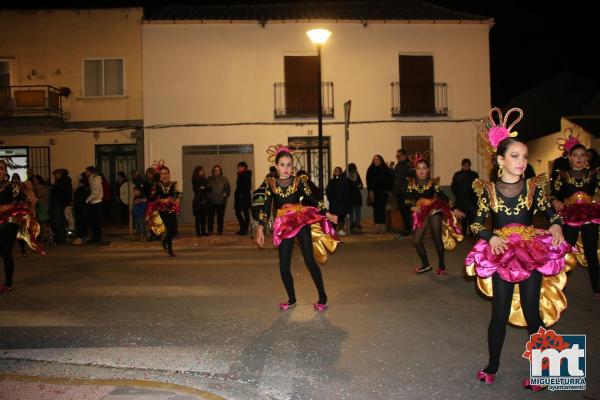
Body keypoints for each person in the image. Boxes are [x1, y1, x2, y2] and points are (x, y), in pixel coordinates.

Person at [464, 107, 570, 391]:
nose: (521, 161)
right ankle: (492, 365)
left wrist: (557, 225)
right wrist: (490, 236)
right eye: (515, 156)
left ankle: (546, 373)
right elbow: (475, 224)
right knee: (498, 314)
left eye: (524, 156)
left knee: (533, 313)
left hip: (529, 253)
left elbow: (553, 214)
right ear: (500, 159)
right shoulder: (488, 191)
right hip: (500, 255)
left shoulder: (534, 188)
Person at [256, 145, 339, 311]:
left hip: (300, 221)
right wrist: (260, 228)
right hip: (284, 225)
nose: (286, 169)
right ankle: (292, 299)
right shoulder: (270, 184)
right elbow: (265, 207)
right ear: (276, 165)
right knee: (283, 265)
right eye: (282, 165)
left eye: (289, 165)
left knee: (309, 260)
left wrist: (327, 213)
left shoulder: (298, 181)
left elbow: (313, 198)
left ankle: (322, 297)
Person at [551, 141, 600, 297]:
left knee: (591, 252)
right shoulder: (562, 175)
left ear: (587, 158)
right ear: (569, 158)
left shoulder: (594, 174)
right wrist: (555, 201)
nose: (579, 158)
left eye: (582, 155)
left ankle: (598, 288)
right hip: (570, 215)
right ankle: (559, 286)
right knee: (565, 251)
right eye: (575, 155)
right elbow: (553, 194)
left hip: (590, 215)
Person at [405, 155, 463, 275]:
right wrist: (412, 206)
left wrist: (454, 209)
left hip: (433, 210)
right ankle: (426, 265)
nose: (421, 171)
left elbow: (443, 197)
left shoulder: (433, 183)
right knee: (416, 241)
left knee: (437, 238)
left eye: (424, 168)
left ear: (428, 170)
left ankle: (442, 265)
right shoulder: (411, 183)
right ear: (415, 170)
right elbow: (406, 199)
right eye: (419, 168)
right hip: (421, 213)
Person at [0, 160, 45, 294]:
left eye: (1, 168)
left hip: (11, 219)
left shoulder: (13, 185)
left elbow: (25, 201)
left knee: (6, 251)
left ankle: (9, 283)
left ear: (6, 171)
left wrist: (9, 206)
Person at [146, 165, 181, 256]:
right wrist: (160, 200)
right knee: (169, 230)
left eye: (166, 173)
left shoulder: (174, 184)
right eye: (162, 174)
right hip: (161, 209)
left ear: (169, 174)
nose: (164, 175)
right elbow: (152, 197)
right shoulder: (156, 184)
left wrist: (177, 200)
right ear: (160, 175)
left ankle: (164, 241)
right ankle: (170, 249)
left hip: (171, 208)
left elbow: (177, 194)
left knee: (175, 231)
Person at [451, 158, 479, 236]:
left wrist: (476, 197)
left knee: (472, 219)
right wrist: (458, 194)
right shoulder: (457, 174)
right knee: (463, 219)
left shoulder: (474, 174)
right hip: (461, 201)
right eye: (464, 165)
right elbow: (453, 186)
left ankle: (472, 234)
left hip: (472, 201)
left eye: (467, 165)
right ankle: (463, 233)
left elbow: (478, 187)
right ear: (462, 166)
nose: (466, 167)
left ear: (470, 165)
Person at [366, 154, 393, 234]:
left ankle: (383, 226)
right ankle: (377, 227)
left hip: (383, 193)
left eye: (377, 159)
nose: (376, 161)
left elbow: (390, 180)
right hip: (374, 193)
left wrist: (388, 191)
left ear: (381, 160)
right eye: (374, 159)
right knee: (376, 209)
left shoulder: (385, 169)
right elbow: (368, 181)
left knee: (382, 209)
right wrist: (370, 191)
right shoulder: (370, 169)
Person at [49, 168, 72, 243]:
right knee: (59, 221)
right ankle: (60, 237)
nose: (55, 176)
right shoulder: (64, 181)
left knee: (58, 221)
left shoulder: (62, 182)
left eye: (55, 174)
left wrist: (55, 200)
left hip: (58, 204)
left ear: (59, 174)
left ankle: (60, 238)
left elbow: (60, 194)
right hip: (60, 204)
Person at [326, 166, 351, 235]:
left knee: (341, 216)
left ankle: (340, 229)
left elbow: (347, 191)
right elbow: (328, 191)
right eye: (334, 170)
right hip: (334, 203)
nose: (335, 172)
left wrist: (344, 199)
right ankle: (333, 230)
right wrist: (330, 198)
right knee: (333, 216)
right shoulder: (332, 181)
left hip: (342, 203)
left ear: (340, 172)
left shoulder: (344, 180)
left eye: (336, 170)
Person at [393, 149, 413, 236]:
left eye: (399, 156)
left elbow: (412, 180)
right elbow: (395, 178)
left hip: (406, 192)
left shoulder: (409, 165)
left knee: (407, 211)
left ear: (404, 156)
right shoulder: (397, 166)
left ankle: (409, 228)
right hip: (398, 192)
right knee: (402, 210)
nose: (398, 158)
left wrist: (410, 193)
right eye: (397, 156)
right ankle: (406, 227)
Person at [207, 165, 230, 235]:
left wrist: (225, 194)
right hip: (211, 201)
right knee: (210, 217)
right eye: (215, 170)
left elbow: (228, 189)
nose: (217, 172)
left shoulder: (224, 179)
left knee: (220, 217)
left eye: (218, 170)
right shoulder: (209, 179)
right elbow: (206, 189)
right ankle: (210, 230)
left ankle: (220, 230)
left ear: (220, 171)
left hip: (221, 201)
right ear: (213, 171)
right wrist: (209, 196)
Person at [85, 166, 103, 243]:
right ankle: (95, 237)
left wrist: (88, 200)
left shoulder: (94, 179)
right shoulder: (93, 178)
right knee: (94, 221)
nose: (86, 173)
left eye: (87, 171)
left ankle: (97, 238)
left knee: (96, 221)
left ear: (90, 171)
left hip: (96, 202)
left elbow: (95, 192)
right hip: (95, 201)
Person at [234, 161, 252, 236]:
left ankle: (243, 229)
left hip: (243, 198)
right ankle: (243, 229)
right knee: (242, 213)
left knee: (243, 213)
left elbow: (245, 187)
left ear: (243, 167)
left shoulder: (245, 175)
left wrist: (240, 194)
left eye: (239, 167)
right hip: (242, 197)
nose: (238, 168)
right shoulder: (243, 174)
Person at [72, 173, 90, 245]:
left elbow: (77, 200)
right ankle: (84, 237)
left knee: (80, 223)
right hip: (85, 208)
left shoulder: (80, 190)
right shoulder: (88, 189)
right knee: (84, 223)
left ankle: (79, 238)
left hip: (80, 209)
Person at [192, 165, 210, 237]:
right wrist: (203, 188)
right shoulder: (195, 179)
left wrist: (204, 187)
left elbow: (208, 188)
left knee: (204, 217)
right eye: (200, 171)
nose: (202, 172)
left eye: (202, 170)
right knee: (198, 218)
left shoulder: (204, 179)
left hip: (205, 200)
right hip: (198, 200)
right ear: (197, 171)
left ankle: (203, 231)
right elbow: (197, 189)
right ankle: (198, 232)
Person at [31, 175, 50, 243]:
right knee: (38, 222)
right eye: (33, 180)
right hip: (37, 207)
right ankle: (40, 236)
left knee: (42, 223)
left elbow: (43, 197)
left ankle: (43, 237)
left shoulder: (43, 188)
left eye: (35, 179)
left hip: (42, 206)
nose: (34, 181)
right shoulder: (34, 188)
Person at [346, 163, 363, 232]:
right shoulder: (346, 175)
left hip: (356, 196)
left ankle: (357, 225)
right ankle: (353, 226)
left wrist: (359, 185)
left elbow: (361, 185)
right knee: (353, 212)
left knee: (356, 211)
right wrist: (357, 185)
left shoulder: (356, 175)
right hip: (352, 196)